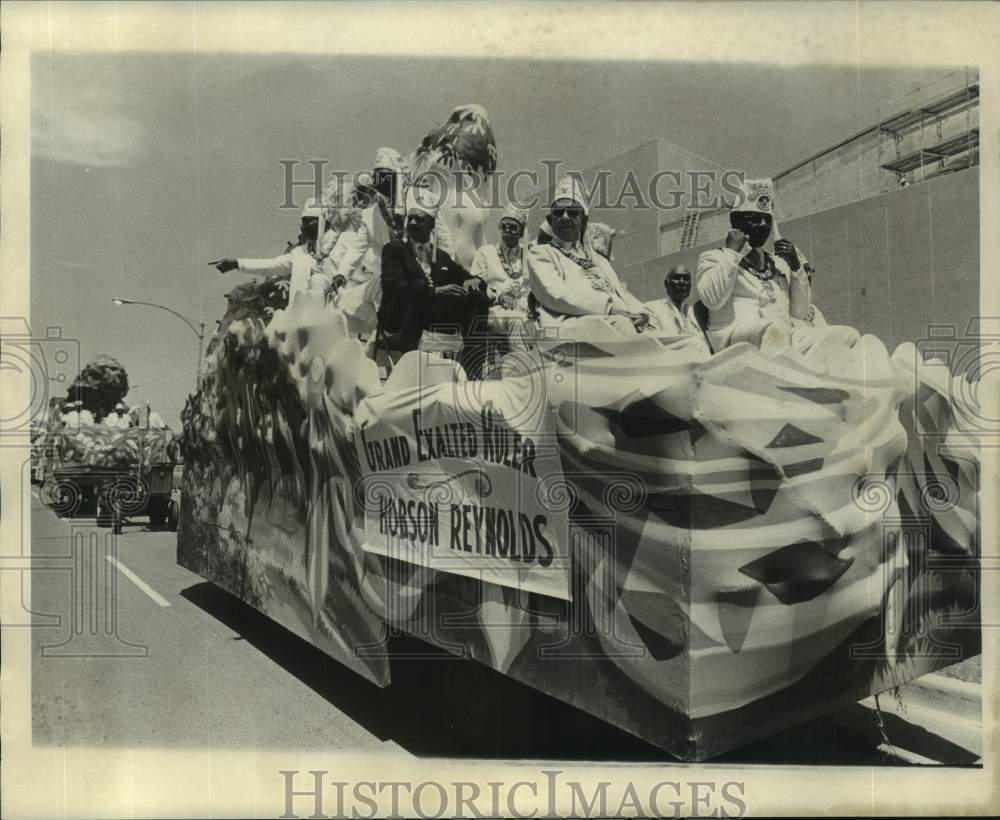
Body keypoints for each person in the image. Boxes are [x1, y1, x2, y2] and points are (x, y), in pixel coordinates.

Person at [378, 186, 491, 378]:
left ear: (431, 225)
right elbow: (393, 286)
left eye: (419, 219)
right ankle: (410, 366)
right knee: (416, 287)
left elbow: (465, 276)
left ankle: (472, 368)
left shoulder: (441, 257)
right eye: (410, 218)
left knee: (478, 299)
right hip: (400, 315)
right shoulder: (394, 249)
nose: (412, 223)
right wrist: (436, 291)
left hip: (431, 318)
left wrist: (474, 281)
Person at [527, 176, 657, 336]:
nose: (565, 216)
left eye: (573, 212)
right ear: (550, 220)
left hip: (612, 318)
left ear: (584, 220)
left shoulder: (599, 260)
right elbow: (556, 294)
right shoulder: (541, 253)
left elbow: (622, 294)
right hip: (568, 324)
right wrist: (609, 308)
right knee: (622, 326)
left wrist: (641, 313)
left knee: (683, 341)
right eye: (559, 212)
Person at [696, 178, 813, 354]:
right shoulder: (714, 257)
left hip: (782, 337)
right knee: (776, 329)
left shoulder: (777, 263)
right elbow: (712, 300)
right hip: (733, 339)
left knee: (845, 335)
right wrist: (732, 252)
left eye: (767, 220)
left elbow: (801, 313)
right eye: (754, 219)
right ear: (736, 222)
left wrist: (796, 268)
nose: (763, 226)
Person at [209, 198, 336, 299]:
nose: (305, 226)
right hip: (303, 320)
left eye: (310, 221)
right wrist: (237, 263)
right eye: (304, 222)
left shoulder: (343, 241)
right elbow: (271, 265)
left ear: (324, 221)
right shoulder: (299, 253)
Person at [470, 204, 532, 348]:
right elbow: (476, 286)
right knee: (518, 320)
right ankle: (522, 368)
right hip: (495, 309)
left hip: (525, 308)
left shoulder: (529, 255)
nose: (507, 231)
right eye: (504, 227)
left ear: (521, 232)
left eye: (513, 227)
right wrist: (498, 296)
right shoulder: (485, 252)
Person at [645, 265, 704, 339]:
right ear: (666, 284)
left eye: (686, 279)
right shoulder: (652, 308)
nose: (682, 282)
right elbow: (654, 340)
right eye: (676, 278)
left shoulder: (695, 313)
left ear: (690, 285)